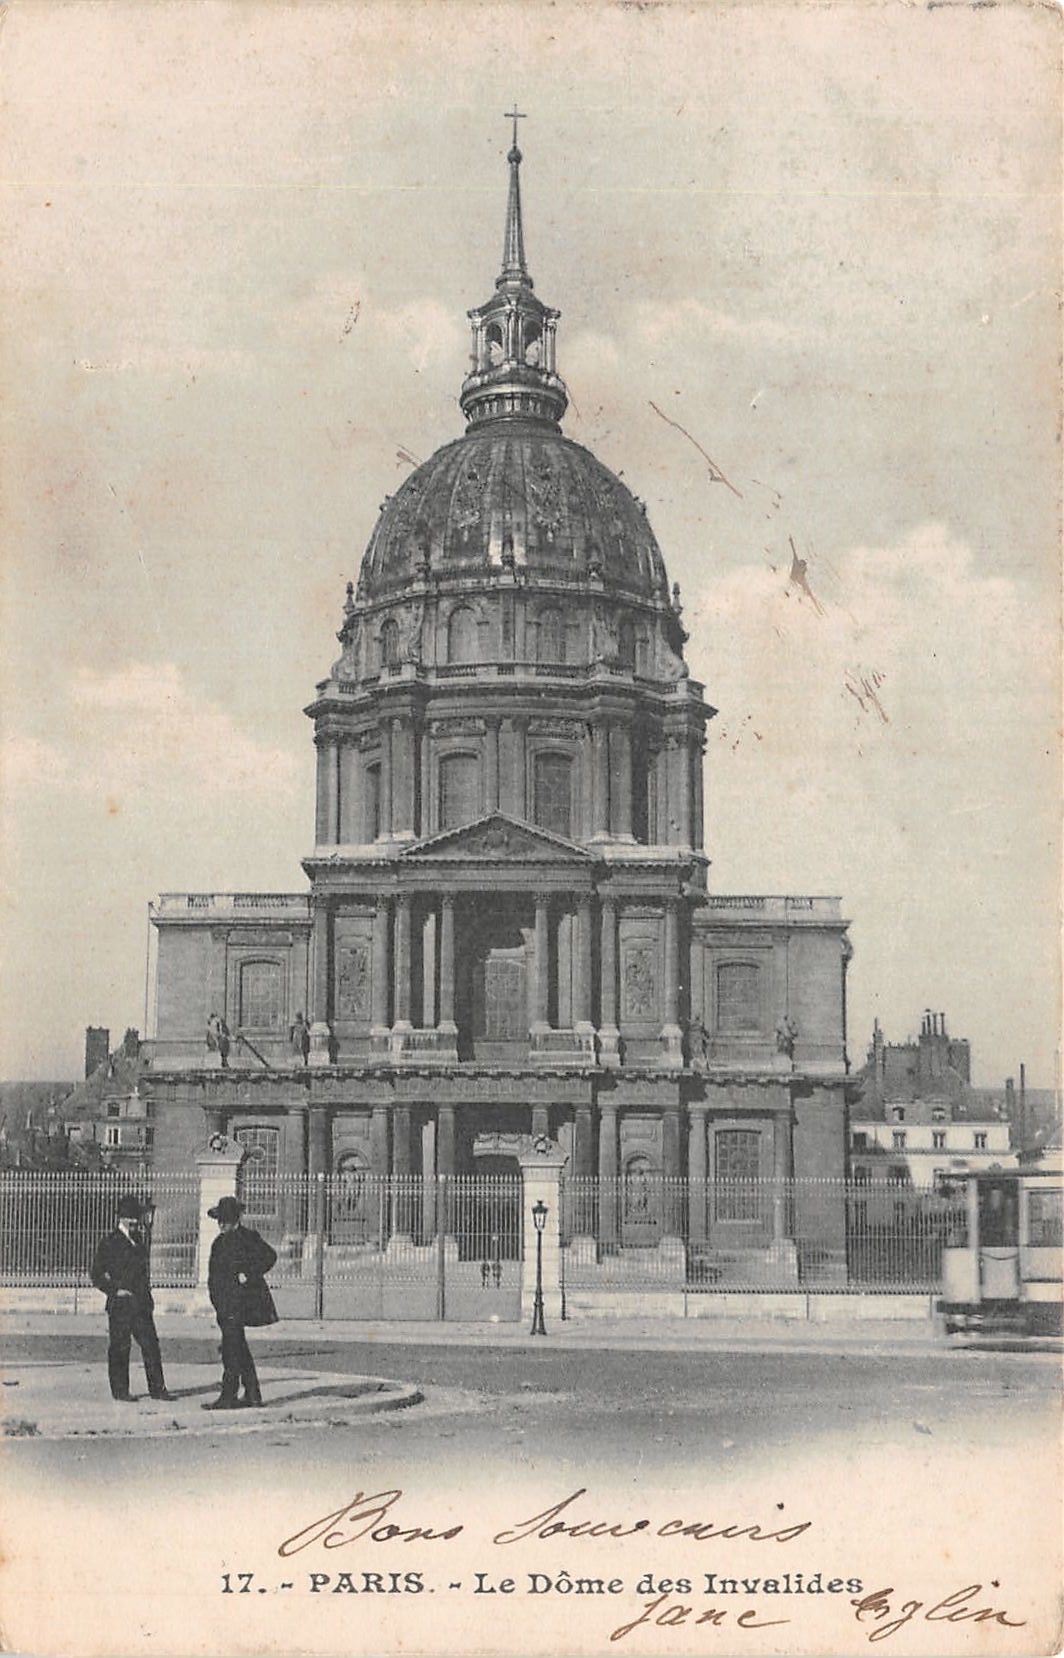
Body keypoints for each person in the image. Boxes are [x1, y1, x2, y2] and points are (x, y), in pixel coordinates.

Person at [90, 1194, 174, 1403]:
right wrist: (114, 1290)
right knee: (120, 1347)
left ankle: (158, 1389)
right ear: (124, 1219)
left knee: (151, 1345)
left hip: (141, 1304)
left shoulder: (139, 1241)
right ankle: (120, 1391)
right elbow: (96, 1273)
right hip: (120, 1304)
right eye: (134, 1219)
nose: (137, 1223)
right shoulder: (110, 1242)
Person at [202, 1196, 278, 1411]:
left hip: (240, 1304)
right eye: (219, 1220)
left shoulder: (248, 1238)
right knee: (238, 1347)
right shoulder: (218, 1242)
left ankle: (228, 1396)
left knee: (231, 1350)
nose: (221, 1224)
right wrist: (215, 1299)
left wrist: (250, 1274)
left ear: (235, 1219)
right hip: (224, 1305)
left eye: (225, 1220)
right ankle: (253, 1394)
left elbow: (270, 1256)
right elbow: (213, 1275)